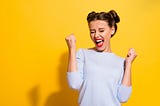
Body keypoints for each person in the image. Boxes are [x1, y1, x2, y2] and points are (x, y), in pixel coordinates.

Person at [65, 10, 137, 106]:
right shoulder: (83, 54)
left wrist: (128, 64)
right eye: (92, 31)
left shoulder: (121, 62)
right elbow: (74, 83)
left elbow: (123, 97)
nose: (96, 35)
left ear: (112, 30)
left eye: (101, 30)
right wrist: (72, 49)